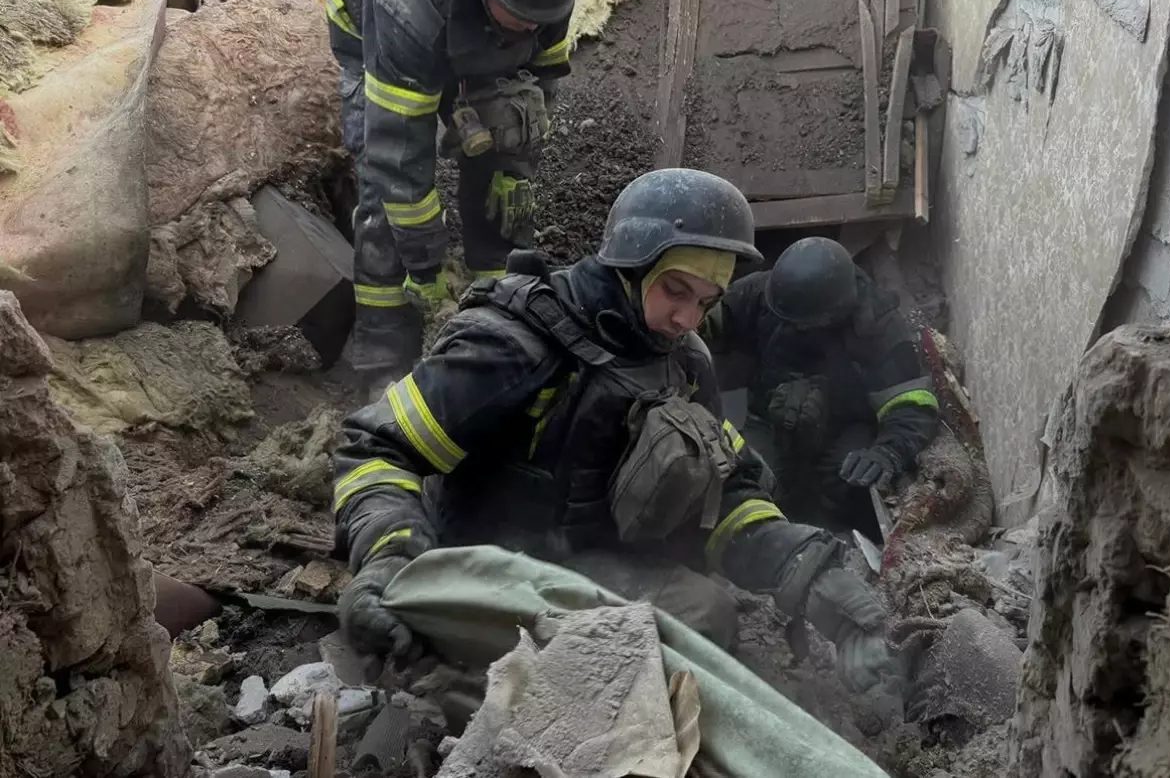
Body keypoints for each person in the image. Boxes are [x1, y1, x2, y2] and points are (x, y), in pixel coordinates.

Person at [330, 168, 895, 693]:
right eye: (676, 290)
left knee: (707, 617)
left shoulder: (683, 364)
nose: (687, 320)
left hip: (583, 568)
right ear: (630, 265)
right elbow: (377, 447)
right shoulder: (515, 342)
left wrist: (808, 572)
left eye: (706, 302)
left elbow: (730, 492)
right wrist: (387, 557)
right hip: (474, 568)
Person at [326, 0, 584, 389]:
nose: (531, 28)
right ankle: (383, 357)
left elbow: (543, 83)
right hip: (378, 40)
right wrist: (426, 265)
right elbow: (399, 155)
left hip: (473, 38)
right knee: (386, 200)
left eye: (537, 20)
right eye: (519, 17)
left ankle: (499, 308)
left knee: (506, 162)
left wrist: (515, 168)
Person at [704, 236, 939, 538]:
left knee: (855, 481)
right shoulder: (760, 293)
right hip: (767, 419)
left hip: (844, 428)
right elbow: (704, 319)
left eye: (804, 323)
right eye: (787, 320)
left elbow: (910, 403)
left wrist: (887, 453)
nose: (795, 329)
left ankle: (844, 533)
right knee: (745, 477)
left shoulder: (877, 324)